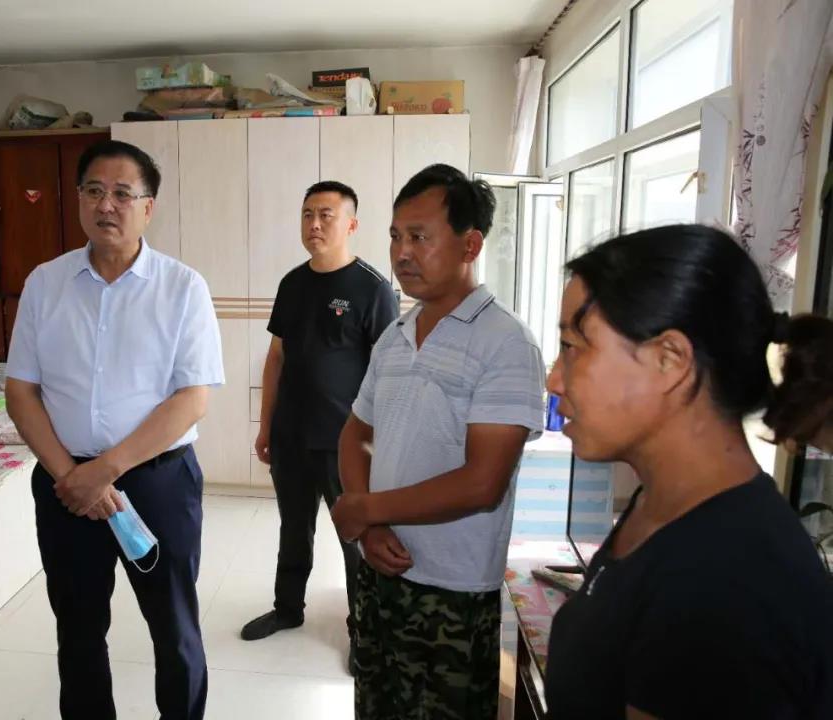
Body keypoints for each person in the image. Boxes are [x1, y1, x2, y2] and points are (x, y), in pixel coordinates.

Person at [543, 224, 833, 719]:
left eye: (572, 346)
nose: (554, 380)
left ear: (670, 360)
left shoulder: (725, 583)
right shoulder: (664, 503)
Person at [5, 139, 224, 720]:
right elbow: (20, 391)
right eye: (94, 191)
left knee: (173, 624)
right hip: (65, 485)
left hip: (158, 483)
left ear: (148, 207)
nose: (107, 205)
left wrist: (105, 470)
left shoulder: (182, 287)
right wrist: (72, 475)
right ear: (78, 199)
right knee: (77, 628)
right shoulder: (45, 283)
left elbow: (192, 398)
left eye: (123, 194)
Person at [331, 164, 546, 719]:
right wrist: (371, 526)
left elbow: (482, 483)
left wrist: (365, 509)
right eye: (395, 236)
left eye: (419, 237)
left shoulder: (507, 344)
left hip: (453, 591)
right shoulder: (395, 337)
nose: (402, 253)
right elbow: (355, 433)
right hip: (381, 573)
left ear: (470, 244)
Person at [240, 181, 398, 669]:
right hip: (290, 436)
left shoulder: (373, 289)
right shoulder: (292, 283)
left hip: (345, 442)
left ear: (351, 224)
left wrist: (379, 444)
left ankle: (363, 629)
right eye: (307, 214)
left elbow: (388, 374)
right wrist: (266, 426)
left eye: (326, 215)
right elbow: (276, 359)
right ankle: (288, 608)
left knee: (354, 538)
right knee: (294, 527)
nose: (314, 224)